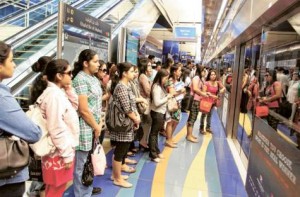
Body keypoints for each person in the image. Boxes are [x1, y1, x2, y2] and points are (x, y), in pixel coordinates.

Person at [0, 41, 42, 196]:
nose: (15, 65)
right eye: (11, 60)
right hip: (6, 178)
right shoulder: (2, 98)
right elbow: (33, 133)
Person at [33, 59, 79, 197]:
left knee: (53, 188)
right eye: (69, 73)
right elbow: (56, 127)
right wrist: (66, 155)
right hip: (58, 152)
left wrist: (69, 88)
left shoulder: (57, 92)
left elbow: (74, 106)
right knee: (56, 190)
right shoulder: (54, 96)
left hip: (57, 151)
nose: (71, 76)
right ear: (59, 75)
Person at [72, 49, 103, 196]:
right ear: (85, 63)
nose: (98, 64)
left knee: (89, 160)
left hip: (94, 125)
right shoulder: (80, 79)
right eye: (95, 61)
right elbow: (83, 110)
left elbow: (96, 103)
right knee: (81, 163)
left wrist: (100, 122)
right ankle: (81, 193)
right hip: (85, 126)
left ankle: (87, 187)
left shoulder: (93, 78)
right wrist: (96, 126)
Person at [110, 62, 140, 188]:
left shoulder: (126, 85)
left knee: (121, 150)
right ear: (124, 73)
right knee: (120, 150)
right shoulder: (121, 87)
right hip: (123, 123)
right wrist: (136, 119)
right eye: (132, 71)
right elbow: (127, 108)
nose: (134, 74)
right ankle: (117, 178)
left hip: (127, 123)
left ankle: (116, 174)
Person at [149, 69, 173, 162]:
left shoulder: (161, 86)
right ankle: (153, 154)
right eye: (165, 78)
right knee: (154, 134)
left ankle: (156, 151)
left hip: (160, 112)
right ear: (160, 77)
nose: (166, 80)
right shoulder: (156, 87)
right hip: (157, 112)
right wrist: (167, 97)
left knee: (155, 133)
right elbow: (157, 102)